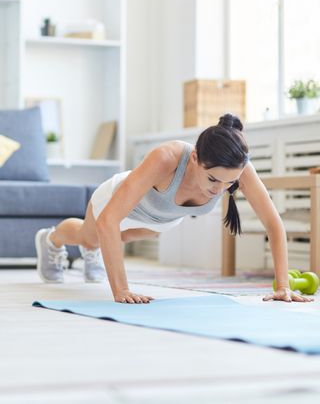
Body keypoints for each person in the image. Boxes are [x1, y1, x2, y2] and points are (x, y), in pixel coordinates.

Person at [35, 113, 313, 304]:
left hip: (161, 218)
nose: (219, 190)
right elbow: (109, 219)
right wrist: (121, 290)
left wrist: (283, 287)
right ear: (195, 158)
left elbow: (273, 222)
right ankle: (51, 239)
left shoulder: (240, 167)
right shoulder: (166, 157)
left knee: (124, 237)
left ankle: (96, 250)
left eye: (230, 183)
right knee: (92, 235)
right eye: (213, 179)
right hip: (118, 201)